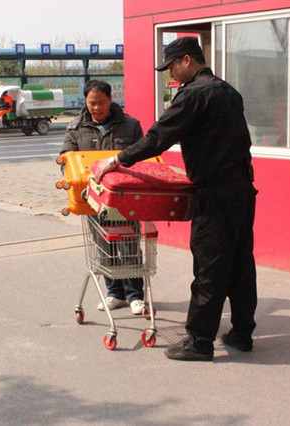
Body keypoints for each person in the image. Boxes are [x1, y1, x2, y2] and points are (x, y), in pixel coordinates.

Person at [93, 37, 258, 361]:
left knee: (209, 269)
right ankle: (242, 333)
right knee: (241, 266)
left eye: (171, 66)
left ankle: (199, 342)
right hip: (242, 191)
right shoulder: (228, 91)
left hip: (215, 195)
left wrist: (116, 160)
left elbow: (158, 138)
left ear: (186, 60)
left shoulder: (193, 94)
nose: (170, 73)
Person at [61, 79, 147, 315]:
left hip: (124, 197)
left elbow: (141, 159)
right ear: (85, 101)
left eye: (101, 102)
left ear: (110, 99)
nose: (96, 107)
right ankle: (115, 293)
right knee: (104, 246)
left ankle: (135, 296)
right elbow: (66, 160)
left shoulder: (130, 126)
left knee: (129, 245)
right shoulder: (75, 128)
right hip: (93, 199)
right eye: (91, 103)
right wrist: (76, 180)